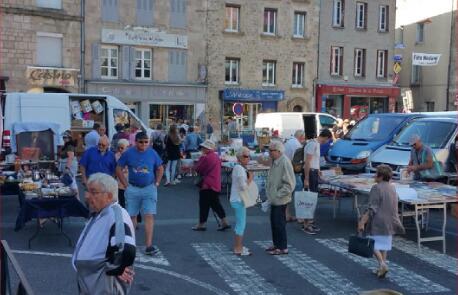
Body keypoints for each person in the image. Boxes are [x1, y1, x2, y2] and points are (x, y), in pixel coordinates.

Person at [72, 173, 136, 294]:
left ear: (109, 196)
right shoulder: (101, 212)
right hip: (93, 279)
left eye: (93, 192)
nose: (86, 196)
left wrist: (118, 268)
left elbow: (126, 248)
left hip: (104, 283)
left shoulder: (116, 214)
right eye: (87, 191)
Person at [116, 132, 164, 255]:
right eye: (141, 142)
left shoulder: (152, 152)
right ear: (136, 142)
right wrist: (126, 185)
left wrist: (157, 182)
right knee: (132, 216)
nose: (143, 144)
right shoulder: (128, 153)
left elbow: (160, 167)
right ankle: (132, 244)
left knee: (149, 215)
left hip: (149, 188)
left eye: (146, 142)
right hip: (133, 188)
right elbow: (118, 168)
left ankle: (148, 245)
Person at [358, 165, 405, 279]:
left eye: (376, 174)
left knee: (371, 243)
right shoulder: (392, 188)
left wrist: (362, 221)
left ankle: (382, 264)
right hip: (390, 220)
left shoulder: (376, 188)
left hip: (378, 220)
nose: (374, 176)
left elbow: (372, 208)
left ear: (381, 176)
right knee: (383, 245)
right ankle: (381, 268)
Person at [265, 141, 295, 255]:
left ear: (278, 151)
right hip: (274, 198)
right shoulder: (275, 161)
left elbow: (289, 184)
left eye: (271, 150)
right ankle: (276, 244)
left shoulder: (284, 162)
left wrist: (277, 194)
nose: (269, 152)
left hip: (280, 199)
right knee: (274, 222)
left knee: (279, 223)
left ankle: (282, 247)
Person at [193, 140, 231, 231]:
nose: (202, 149)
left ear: (207, 148)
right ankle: (224, 221)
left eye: (203, 147)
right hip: (215, 183)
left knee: (204, 205)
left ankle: (202, 224)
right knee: (215, 204)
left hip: (207, 184)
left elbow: (198, 169)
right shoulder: (216, 156)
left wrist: (200, 159)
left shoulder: (206, 158)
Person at [302, 129, 333, 235]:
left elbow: (314, 161)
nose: (327, 142)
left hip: (314, 172)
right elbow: (307, 162)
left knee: (312, 198)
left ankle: (309, 222)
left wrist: (318, 170)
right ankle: (307, 224)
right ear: (326, 137)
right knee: (309, 199)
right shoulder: (312, 144)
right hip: (310, 172)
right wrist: (306, 178)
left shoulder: (316, 144)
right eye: (328, 140)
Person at [230, 147, 253, 256]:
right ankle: (238, 248)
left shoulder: (240, 168)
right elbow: (243, 187)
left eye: (249, 156)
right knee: (241, 225)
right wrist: (250, 179)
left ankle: (238, 246)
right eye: (245, 156)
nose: (248, 158)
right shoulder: (239, 168)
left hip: (238, 199)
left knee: (240, 224)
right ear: (239, 157)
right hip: (239, 200)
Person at [284, 130, 306, 222]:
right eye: (304, 138)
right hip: (293, 172)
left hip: (285, 170)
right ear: (301, 137)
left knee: (288, 195)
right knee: (298, 195)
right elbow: (297, 162)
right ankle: (300, 217)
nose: (304, 140)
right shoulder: (297, 145)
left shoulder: (289, 141)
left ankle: (286, 215)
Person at [115, 139, 130, 208]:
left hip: (130, 183)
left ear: (127, 148)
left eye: (122, 148)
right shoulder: (116, 156)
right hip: (119, 184)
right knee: (122, 203)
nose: (120, 149)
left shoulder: (131, 156)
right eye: (119, 148)